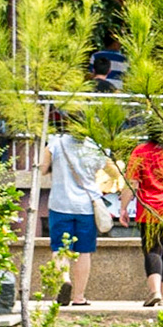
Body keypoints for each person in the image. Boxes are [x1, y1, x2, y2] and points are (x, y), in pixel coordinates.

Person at [37, 118, 105, 306]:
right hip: (87, 207)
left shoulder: (55, 143)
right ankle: (79, 297)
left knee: (60, 248)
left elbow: (42, 169)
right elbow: (108, 171)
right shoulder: (94, 147)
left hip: (60, 204)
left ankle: (64, 280)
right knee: (84, 251)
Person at [125, 125, 163, 306]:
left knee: (153, 250)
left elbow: (132, 182)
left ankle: (155, 292)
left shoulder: (140, 151)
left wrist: (123, 208)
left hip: (149, 209)